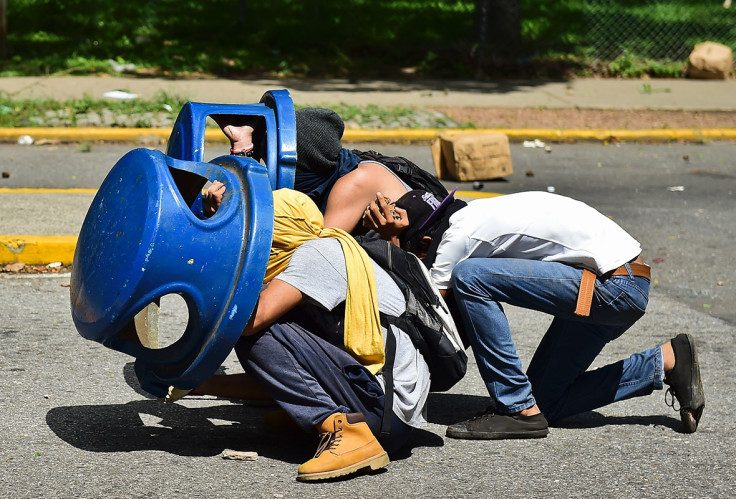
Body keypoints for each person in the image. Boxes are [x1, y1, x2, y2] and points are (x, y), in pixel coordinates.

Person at [362, 189, 705, 439]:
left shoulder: (456, 238)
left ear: (425, 241)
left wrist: (391, 242)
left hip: (614, 287)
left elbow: (430, 317)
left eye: (419, 254)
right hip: (621, 281)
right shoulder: (472, 216)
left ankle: (514, 407)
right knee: (546, 403)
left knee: (469, 277)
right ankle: (668, 360)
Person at [194, 188, 431, 481]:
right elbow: (282, 372)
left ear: (277, 233)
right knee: (272, 325)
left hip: (380, 415)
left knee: (252, 327)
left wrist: (222, 249)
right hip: (389, 416)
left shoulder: (316, 255)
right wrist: (201, 385)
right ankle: (321, 414)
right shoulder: (327, 247)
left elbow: (246, 323)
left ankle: (345, 430)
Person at [211, 107, 412, 232]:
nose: (269, 174)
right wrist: (241, 145)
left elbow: (309, 257)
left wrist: (237, 208)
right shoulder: (327, 173)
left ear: (300, 168)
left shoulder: (354, 182)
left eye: (272, 166)